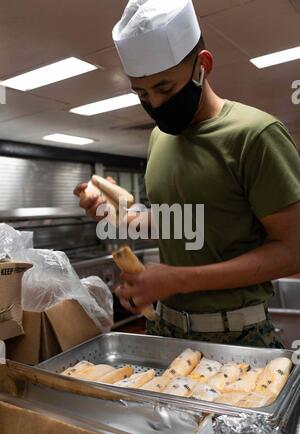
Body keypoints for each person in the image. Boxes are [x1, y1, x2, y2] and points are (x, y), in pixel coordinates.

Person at [75, 0, 300, 348]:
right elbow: (175, 219)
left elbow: (292, 249)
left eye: (165, 88)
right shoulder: (158, 138)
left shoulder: (255, 135)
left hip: (237, 335)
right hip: (165, 328)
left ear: (203, 66)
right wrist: (116, 213)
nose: (156, 103)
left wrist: (178, 280)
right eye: (142, 93)